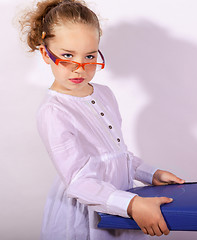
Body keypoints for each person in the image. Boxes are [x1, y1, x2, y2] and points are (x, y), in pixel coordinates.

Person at [18, 0, 185, 239]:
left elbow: (118, 154)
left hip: (123, 199)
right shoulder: (53, 112)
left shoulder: (104, 93)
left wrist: (151, 174)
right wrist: (131, 204)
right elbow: (77, 181)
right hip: (86, 211)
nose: (80, 68)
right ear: (46, 54)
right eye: (67, 56)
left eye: (89, 56)